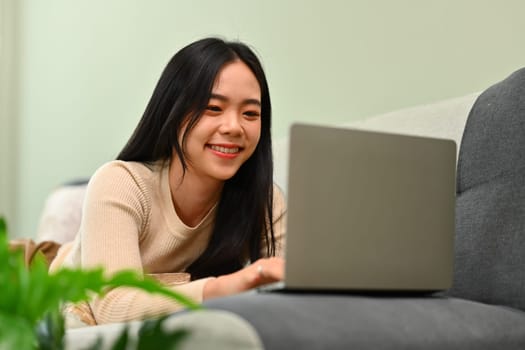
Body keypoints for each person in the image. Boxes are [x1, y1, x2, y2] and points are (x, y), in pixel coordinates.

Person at [49, 37, 287, 325]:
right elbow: (113, 307)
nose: (234, 127)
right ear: (174, 112)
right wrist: (221, 289)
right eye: (213, 108)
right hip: (43, 279)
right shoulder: (120, 183)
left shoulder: (264, 201)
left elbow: (286, 292)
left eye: (250, 113)